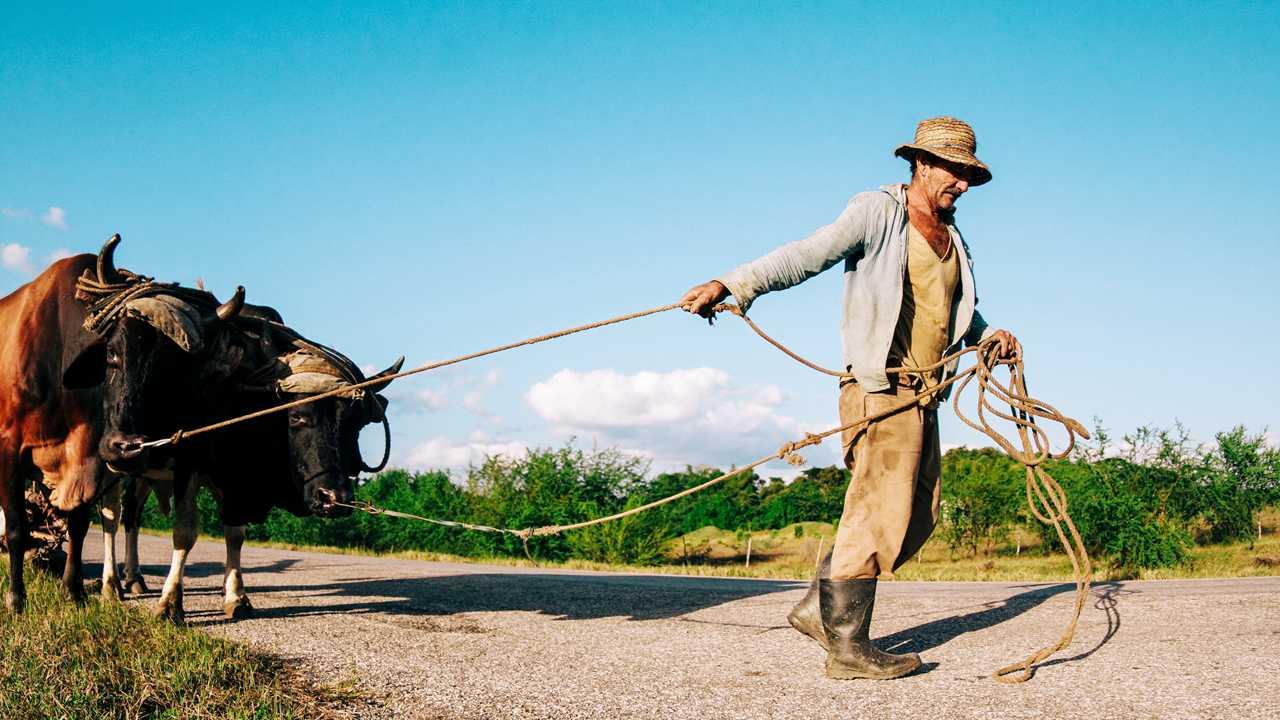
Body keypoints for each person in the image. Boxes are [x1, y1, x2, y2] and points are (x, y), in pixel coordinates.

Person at [680, 117, 1020, 680]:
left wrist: (988, 337)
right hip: (880, 385)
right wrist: (732, 284)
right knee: (878, 511)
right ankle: (847, 646)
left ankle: (820, 608)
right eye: (954, 171)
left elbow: (954, 307)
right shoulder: (878, 212)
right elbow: (806, 254)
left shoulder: (953, 237)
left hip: (926, 391)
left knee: (918, 516)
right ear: (922, 164)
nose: (961, 184)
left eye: (969, 175)